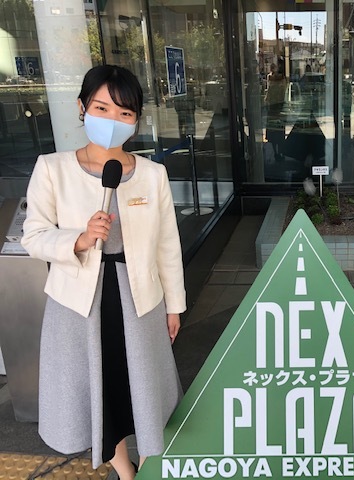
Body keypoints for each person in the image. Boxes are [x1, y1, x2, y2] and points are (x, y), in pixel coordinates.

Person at [21, 65, 185, 480]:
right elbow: (33, 236)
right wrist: (78, 238)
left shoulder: (152, 173)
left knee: (141, 388)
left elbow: (167, 244)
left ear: (136, 119)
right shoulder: (52, 168)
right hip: (79, 305)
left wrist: (175, 306)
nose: (113, 120)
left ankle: (148, 463)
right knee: (101, 390)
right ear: (82, 107)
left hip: (139, 299)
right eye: (102, 108)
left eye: (124, 113)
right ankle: (124, 470)